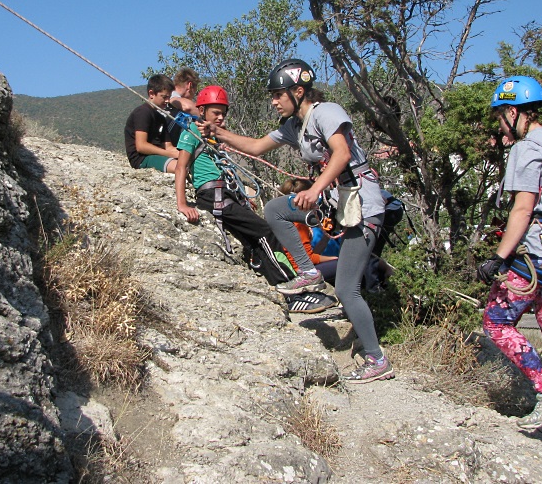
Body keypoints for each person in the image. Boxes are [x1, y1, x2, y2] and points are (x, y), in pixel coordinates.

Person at [200, 58, 394, 383]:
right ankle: (308, 273)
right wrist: (219, 133)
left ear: (298, 91)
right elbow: (257, 147)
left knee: (347, 290)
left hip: (363, 204)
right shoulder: (295, 126)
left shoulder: (326, 112)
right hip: (342, 204)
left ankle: (376, 359)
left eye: (278, 94)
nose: (274, 101)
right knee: (276, 209)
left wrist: (316, 189)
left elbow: (343, 153)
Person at [477, 76, 542, 444]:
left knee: (496, 322)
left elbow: (523, 208)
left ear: (513, 111)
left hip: (536, 252)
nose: (500, 126)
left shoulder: (526, 149)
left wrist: (499, 257)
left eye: (500, 117)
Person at [175, 85, 294, 286]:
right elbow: (181, 167)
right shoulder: (192, 131)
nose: (221, 118)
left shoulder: (213, 136)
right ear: (202, 111)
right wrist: (182, 203)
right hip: (212, 195)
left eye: (223, 113)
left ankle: (279, 283)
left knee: (253, 240)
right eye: (216, 113)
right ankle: (288, 281)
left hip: (224, 194)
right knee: (264, 230)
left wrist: (241, 198)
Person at [124, 74, 178, 173]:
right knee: (179, 167)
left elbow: (168, 146)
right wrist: (169, 154)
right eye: (164, 97)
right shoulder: (143, 113)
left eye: (169, 97)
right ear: (152, 93)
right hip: (143, 158)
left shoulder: (161, 118)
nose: (167, 101)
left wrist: (184, 154)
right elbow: (141, 146)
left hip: (159, 155)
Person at [168, 67, 200, 145]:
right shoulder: (171, 95)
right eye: (195, 91)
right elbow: (187, 106)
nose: (194, 94)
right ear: (190, 85)